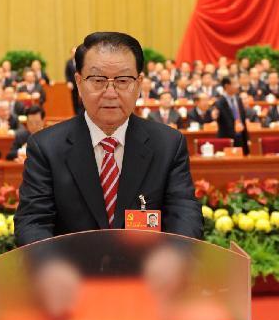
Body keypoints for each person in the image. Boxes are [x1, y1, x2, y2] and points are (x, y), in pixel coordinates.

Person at [15, 31, 203, 245]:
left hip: (147, 272)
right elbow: (32, 221)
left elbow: (185, 214)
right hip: (71, 273)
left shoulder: (168, 145)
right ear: (78, 82)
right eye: (97, 80)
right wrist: (53, 267)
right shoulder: (46, 147)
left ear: (139, 83)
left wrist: (173, 257)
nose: (111, 92)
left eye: (123, 80)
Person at [215, 77, 249, 154]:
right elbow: (216, 117)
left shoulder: (238, 99)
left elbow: (242, 118)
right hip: (227, 139)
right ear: (227, 86)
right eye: (234, 84)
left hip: (241, 138)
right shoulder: (219, 102)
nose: (238, 86)